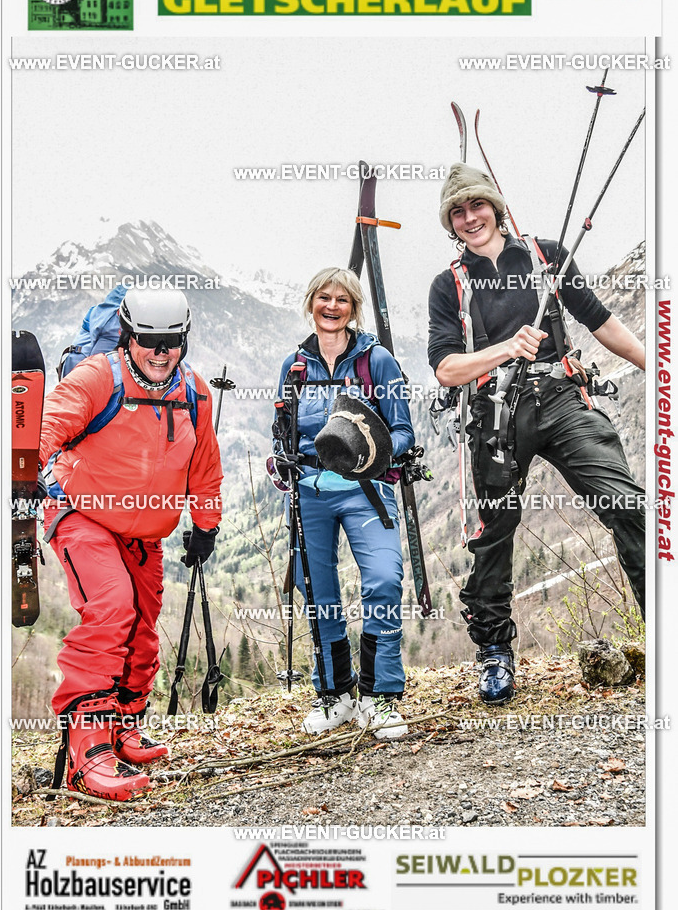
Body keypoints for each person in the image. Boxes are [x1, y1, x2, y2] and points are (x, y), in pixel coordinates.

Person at [428, 162, 645, 704]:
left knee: (625, 501)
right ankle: (496, 654)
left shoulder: (546, 257)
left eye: (477, 205)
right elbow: (446, 368)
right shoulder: (448, 285)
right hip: (494, 414)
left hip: (563, 398)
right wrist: (504, 348)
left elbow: (600, 322)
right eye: (458, 212)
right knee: (494, 534)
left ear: (495, 207)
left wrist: (658, 366)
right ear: (451, 225)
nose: (470, 217)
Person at [39, 288, 223, 799]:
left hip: (144, 532)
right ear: (128, 334)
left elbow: (204, 467)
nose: (160, 351)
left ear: (183, 339)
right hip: (81, 514)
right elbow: (50, 422)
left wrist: (205, 525)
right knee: (112, 608)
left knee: (142, 625)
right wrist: (26, 466)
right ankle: (88, 750)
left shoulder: (194, 392)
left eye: (171, 341)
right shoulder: (99, 376)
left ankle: (123, 725)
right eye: (148, 340)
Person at [273, 267, 415, 738]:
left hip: (367, 491)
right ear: (311, 302)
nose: (332, 307)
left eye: (343, 300)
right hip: (310, 493)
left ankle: (381, 697)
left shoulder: (376, 362)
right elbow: (283, 432)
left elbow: (402, 431)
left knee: (383, 580)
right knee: (319, 595)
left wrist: (367, 454)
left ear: (354, 308)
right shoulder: (294, 366)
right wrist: (282, 460)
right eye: (324, 298)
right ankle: (336, 696)